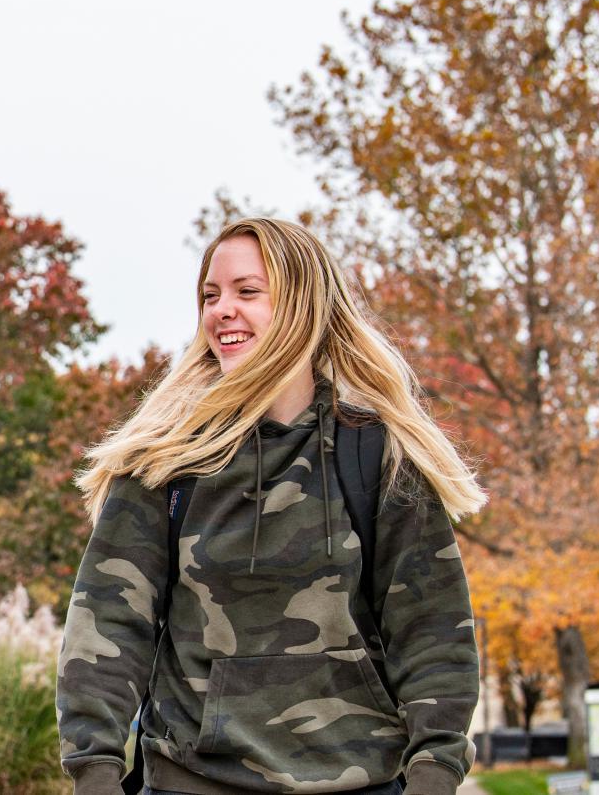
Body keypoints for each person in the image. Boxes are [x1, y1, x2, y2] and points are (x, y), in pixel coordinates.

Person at [57, 219, 485, 795]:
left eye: (247, 291)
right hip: (194, 780)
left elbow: (433, 629)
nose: (222, 310)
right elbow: (108, 622)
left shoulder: (377, 454)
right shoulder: (165, 460)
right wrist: (95, 770)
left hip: (360, 780)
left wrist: (435, 770)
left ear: (302, 306)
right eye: (211, 295)